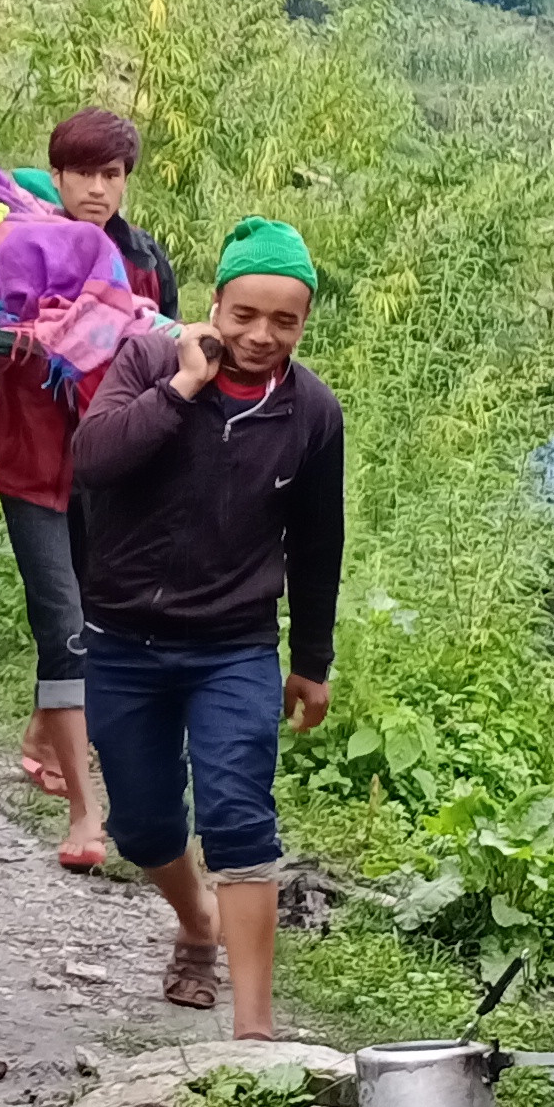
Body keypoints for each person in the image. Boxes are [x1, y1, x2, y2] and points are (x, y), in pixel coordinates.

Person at [69, 217, 344, 1042]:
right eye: (244, 315)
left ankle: (254, 1033)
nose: (261, 336)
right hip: (123, 640)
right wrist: (183, 388)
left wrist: (313, 659)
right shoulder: (150, 362)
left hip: (234, 645)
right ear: (215, 304)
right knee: (144, 824)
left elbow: (318, 542)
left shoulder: (311, 412)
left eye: (283, 321)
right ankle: (197, 922)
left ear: (302, 324)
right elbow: (93, 460)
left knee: (238, 815)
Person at [0, 109, 184, 872]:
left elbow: (171, 368)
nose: (98, 189)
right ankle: (86, 811)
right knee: (62, 621)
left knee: (99, 619)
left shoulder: (145, 261)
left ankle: (41, 731)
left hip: (111, 466)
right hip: (31, 465)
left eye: (113, 175)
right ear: (55, 176)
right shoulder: (16, 248)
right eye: (84, 174)